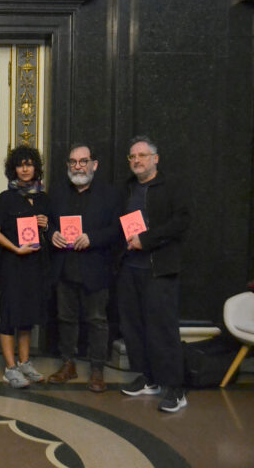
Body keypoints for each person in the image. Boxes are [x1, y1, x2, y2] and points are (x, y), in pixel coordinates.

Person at [117, 135, 190, 412]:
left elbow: (181, 222)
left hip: (160, 269)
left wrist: (146, 240)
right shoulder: (127, 188)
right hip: (130, 268)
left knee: (162, 330)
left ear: (155, 159)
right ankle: (150, 379)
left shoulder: (171, 186)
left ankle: (175, 388)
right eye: (132, 157)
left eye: (142, 156)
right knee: (134, 328)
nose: (136, 161)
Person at [48, 143, 122, 392]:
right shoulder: (57, 193)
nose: (77, 166)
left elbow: (118, 229)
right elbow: (45, 223)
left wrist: (93, 238)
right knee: (65, 318)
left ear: (94, 164)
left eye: (83, 161)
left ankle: (97, 369)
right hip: (64, 266)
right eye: (73, 162)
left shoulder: (110, 195)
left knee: (97, 320)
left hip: (96, 268)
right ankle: (68, 364)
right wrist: (52, 235)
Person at [0, 145, 50, 388]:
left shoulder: (44, 198)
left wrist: (45, 225)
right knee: (9, 315)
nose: (24, 169)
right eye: (20, 164)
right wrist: (15, 249)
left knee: (27, 315)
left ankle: (25, 363)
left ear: (35, 167)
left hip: (35, 266)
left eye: (29, 164)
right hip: (12, 264)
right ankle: (10, 367)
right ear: (13, 169)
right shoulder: (6, 198)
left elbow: (51, 231)